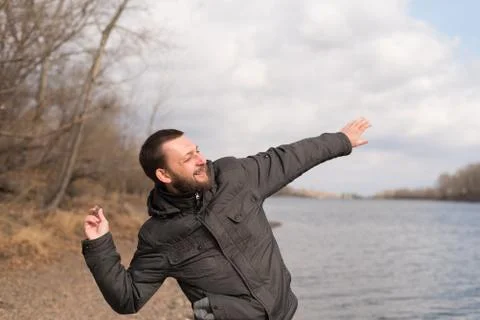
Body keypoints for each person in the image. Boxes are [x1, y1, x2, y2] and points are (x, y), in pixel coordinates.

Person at [82, 117, 371, 320]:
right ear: (164, 175)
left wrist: (341, 140)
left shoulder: (235, 176)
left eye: (197, 151)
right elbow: (128, 298)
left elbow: (289, 157)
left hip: (284, 312)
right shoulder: (158, 236)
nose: (200, 160)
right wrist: (99, 246)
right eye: (187, 158)